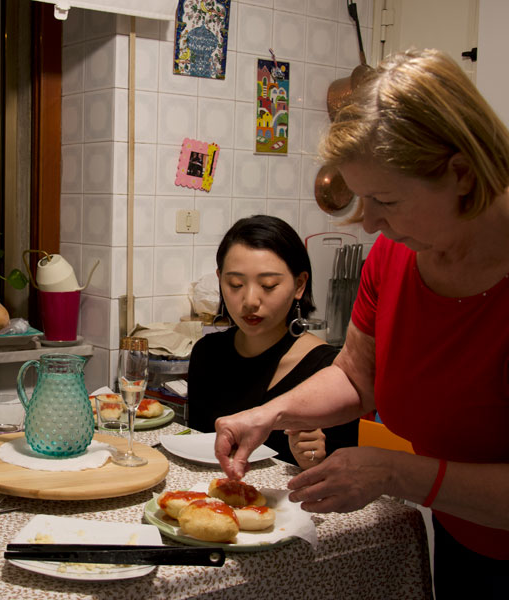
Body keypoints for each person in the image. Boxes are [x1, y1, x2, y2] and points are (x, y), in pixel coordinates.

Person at [213, 49, 509, 596]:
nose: (369, 222)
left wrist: (397, 472)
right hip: (466, 536)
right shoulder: (396, 255)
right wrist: (269, 412)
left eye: (385, 199)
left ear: (462, 174)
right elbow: (356, 375)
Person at [188, 215, 358, 470]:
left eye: (268, 285)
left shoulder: (330, 371)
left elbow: (345, 489)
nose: (250, 300)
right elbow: (196, 450)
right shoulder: (207, 353)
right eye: (235, 284)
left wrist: (313, 460)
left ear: (299, 285)